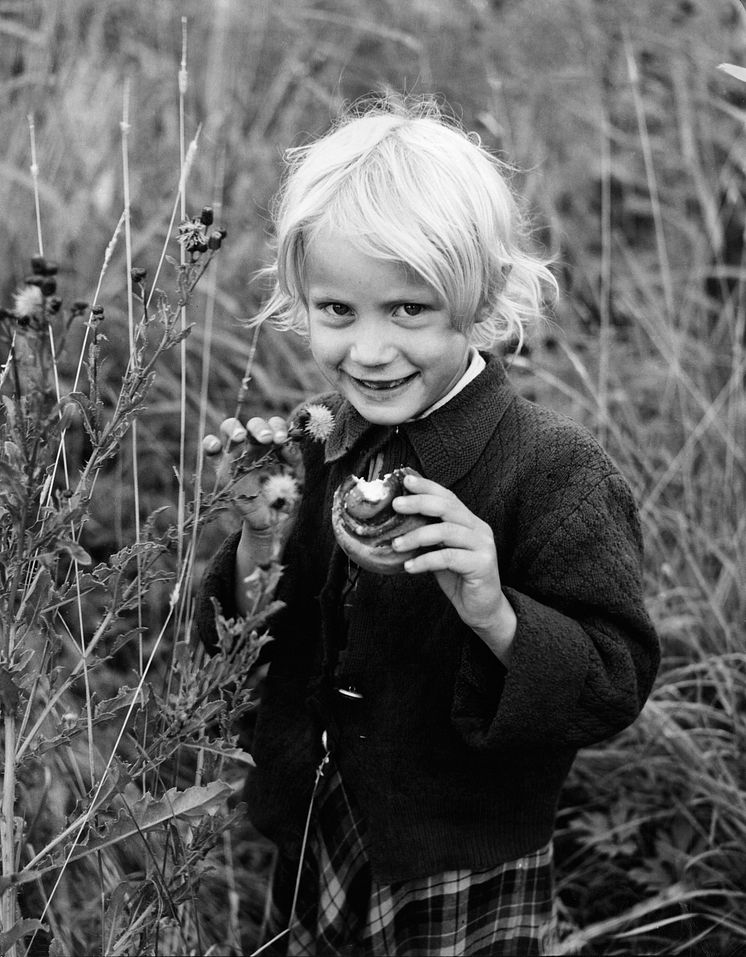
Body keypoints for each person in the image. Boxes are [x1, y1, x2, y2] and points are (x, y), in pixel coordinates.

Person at [197, 96, 660, 957]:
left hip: (458, 856)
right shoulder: (316, 440)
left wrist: (493, 606)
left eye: (408, 310)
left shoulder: (552, 470)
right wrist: (260, 539)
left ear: (480, 301)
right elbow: (240, 640)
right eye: (338, 310)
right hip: (318, 829)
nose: (368, 351)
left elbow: (612, 678)